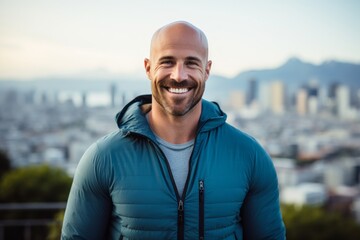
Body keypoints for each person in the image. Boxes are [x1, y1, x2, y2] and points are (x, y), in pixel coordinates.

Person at [61, 21, 286, 240]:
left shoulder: (249, 156)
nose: (179, 75)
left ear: (207, 70)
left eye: (191, 63)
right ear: (148, 68)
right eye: (167, 62)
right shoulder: (103, 158)